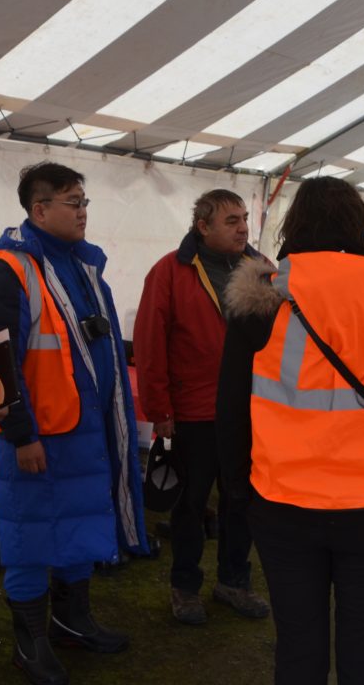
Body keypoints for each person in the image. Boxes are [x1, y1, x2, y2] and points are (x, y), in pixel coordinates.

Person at [217, 177, 364, 685]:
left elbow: (230, 406)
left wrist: (238, 491)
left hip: (281, 501)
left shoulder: (262, 289)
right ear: (360, 224)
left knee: (298, 649)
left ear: (295, 224)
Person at [0, 162, 149, 685]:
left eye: (84, 202)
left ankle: (72, 622)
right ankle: (29, 645)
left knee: (78, 528)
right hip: (38, 437)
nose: (82, 212)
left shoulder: (82, 264)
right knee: (29, 539)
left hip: (84, 432)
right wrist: (20, 434)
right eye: (73, 203)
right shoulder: (8, 270)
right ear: (39, 209)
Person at [134, 189, 270, 625]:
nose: (243, 227)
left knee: (242, 501)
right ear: (203, 226)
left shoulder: (262, 269)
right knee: (190, 505)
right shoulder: (170, 271)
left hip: (249, 410)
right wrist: (160, 411)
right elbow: (150, 344)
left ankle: (234, 581)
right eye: (231, 220)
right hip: (195, 410)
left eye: (244, 218)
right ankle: (185, 586)